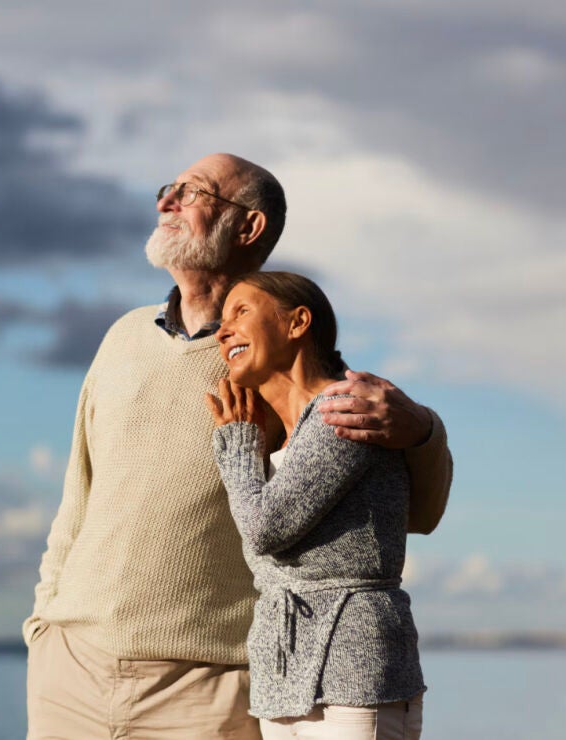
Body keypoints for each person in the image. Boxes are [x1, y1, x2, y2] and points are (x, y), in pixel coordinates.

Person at [24, 153, 452, 739]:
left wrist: (426, 432)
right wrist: (44, 626)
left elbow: (412, 514)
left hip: (209, 687)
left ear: (248, 228)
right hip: (69, 671)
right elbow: (79, 494)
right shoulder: (122, 338)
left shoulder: (282, 370)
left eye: (192, 192)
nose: (166, 202)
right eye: (167, 188)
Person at [206, 271, 425, 739]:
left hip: (353, 664)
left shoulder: (345, 409)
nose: (222, 330)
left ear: (298, 322)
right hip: (281, 671)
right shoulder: (286, 439)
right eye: (221, 320)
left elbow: (265, 529)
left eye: (241, 312)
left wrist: (237, 443)